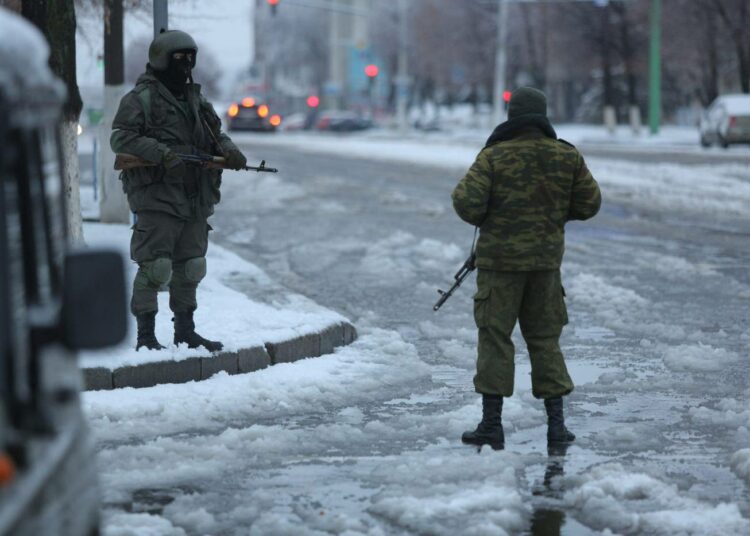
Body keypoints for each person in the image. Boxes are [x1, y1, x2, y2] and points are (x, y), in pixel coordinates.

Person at [451, 87, 601, 450]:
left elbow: (466, 203)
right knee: (545, 340)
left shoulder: (494, 156)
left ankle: (491, 425)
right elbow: (590, 203)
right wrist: (552, 214)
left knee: (495, 339)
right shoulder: (566, 156)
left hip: (499, 268)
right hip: (545, 267)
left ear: (511, 115)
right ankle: (556, 426)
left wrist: (496, 215)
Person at [111, 30, 247, 352]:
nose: (185, 65)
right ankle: (146, 337)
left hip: (195, 195)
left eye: (189, 58)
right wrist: (161, 153)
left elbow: (215, 134)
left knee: (191, 267)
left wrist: (230, 151)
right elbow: (121, 138)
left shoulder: (196, 100)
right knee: (156, 267)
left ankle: (185, 331)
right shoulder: (141, 98)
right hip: (157, 196)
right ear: (161, 59)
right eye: (178, 58)